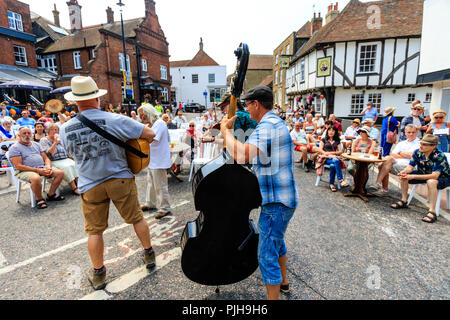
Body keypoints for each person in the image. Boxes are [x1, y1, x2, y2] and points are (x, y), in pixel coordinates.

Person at [59, 76, 157, 290]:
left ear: (76, 101)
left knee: (94, 231)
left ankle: (98, 274)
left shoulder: (65, 128)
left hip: (89, 183)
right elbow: (150, 133)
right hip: (119, 177)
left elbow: (69, 154)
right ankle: (149, 255)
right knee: (136, 218)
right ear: (97, 99)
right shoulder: (114, 119)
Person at [220, 85, 298, 300]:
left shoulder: (267, 126)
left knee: (266, 255)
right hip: (284, 199)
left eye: (247, 105)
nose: (246, 109)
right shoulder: (275, 122)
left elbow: (243, 156)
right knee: (277, 241)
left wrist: (225, 132)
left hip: (276, 203)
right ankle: (284, 283)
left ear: (256, 104)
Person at [390, 134, 450, 224]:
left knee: (431, 181)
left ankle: (432, 211)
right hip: (424, 173)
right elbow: (410, 167)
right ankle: (404, 201)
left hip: (443, 178)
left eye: (424, 144)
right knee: (404, 176)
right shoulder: (417, 152)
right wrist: (404, 171)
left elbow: (434, 176)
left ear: (433, 146)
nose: (421, 146)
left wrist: (413, 176)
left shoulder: (439, 155)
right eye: (421, 143)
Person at [8, 127, 65, 209]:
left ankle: (51, 194)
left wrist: (48, 166)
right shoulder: (14, 148)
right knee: (36, 178)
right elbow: (18, 166)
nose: (27, 135)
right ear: (19, 135)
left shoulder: (36, 144)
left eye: (29, 133)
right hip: (24, 170)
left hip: (41, 167)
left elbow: (46, 158)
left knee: (60, 173)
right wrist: (38, 170)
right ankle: (39, 199)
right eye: (24, 133)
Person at [138, 104, 172, 219]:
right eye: (140, 115)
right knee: (151, 184)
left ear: (149, 113)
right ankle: (150, 203)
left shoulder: (160, 123)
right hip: (152, 160)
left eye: (143, 114)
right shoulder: (149, 124)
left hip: (159, 160)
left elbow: (150, 138)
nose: (142, 117)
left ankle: (164, 208)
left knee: (160, 185)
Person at [370, 124, 420, 195]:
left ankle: (382, 187)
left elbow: (414, 156)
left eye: (413, 132)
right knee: (387, 159)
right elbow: (393, 154)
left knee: (382, 165)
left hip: (409, 167)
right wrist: (407, 155)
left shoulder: (419, 143)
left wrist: (401, 153)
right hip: (396, 164)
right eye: (409, 132)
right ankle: (379, 185)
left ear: (416, 133)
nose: (411, 134)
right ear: (405, 133)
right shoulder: (401, 143)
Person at [40, 123, 80, 195]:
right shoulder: (44, 140)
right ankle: (74, 187)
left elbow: (67, 151)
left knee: (75, 164)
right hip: (53, 161)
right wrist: (55, 143)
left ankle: (79, 184)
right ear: (48, 131)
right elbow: (49, 154)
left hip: (65, 159)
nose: (54, 131)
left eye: (56, 130)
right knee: (66, 167)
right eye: (52, 130)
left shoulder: (61, 139)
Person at [317, 126, 350, 192]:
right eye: (329, 130)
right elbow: (320, 149)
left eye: (333, 131)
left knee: (333, 165)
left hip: (333, 158)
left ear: (335, 132)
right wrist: (328, 154)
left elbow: (340, 151)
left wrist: (332, 153)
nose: (331, 132)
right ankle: (341, 180)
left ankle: (331, 184)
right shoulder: (324, 139)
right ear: (327, 131)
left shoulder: (337, 140)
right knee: (336, 160)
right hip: (325, 159)